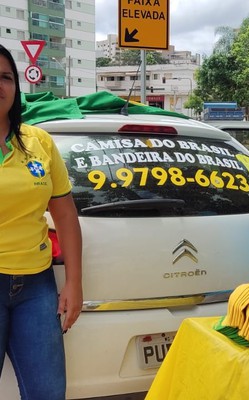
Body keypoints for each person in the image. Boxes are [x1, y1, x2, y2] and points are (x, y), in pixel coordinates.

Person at [0, 44, 83, 399]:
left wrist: (75, 284)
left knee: (47, 393)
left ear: (16, 88)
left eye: (5, 77)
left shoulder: (39, 142)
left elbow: (65, 213)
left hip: (36, 286)